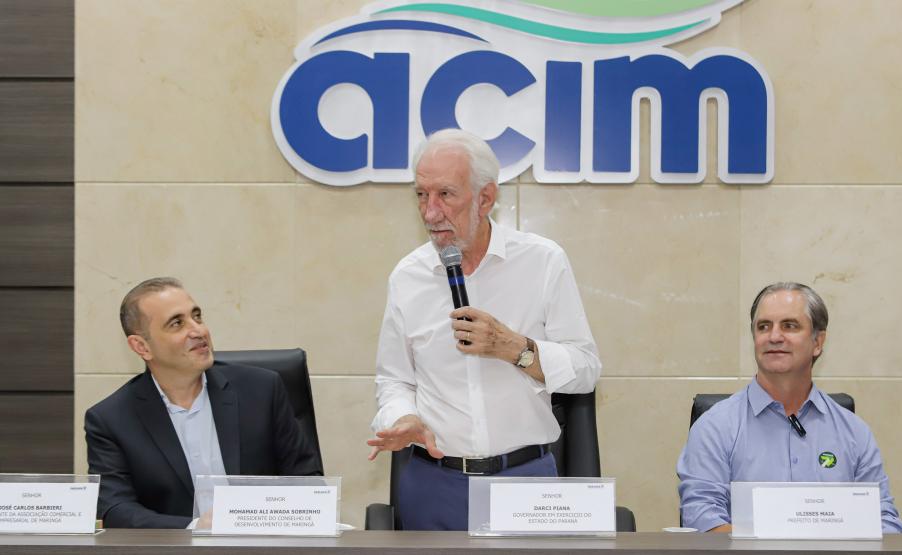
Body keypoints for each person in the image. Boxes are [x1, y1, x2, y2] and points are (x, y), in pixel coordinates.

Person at [367, 129, 601, 530]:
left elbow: (586, 370)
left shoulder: (543, 261)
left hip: (524, 482)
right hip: (434, 483)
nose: (430, 212)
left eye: (445, 195)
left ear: (486, 198)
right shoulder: (408, 276)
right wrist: (403, 416)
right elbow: (394, 380)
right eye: (421, 195)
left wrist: (516, 348)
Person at [85, 277, 322, 528]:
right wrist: (195, 528)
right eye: (177, 323)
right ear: (142, 346)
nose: (198, 331)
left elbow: (306, 481)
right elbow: (115, 509)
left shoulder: (262, 390)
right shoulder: (110, 419)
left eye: (197, 317)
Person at [677, 282, 902, 533]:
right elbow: (702, 520)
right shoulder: (715, 427)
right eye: (764, 326)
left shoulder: (854, 432)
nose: (774, 336)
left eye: (789, 326)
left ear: (818, 342)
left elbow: (884, 521)